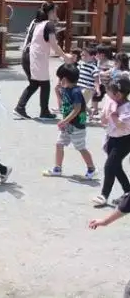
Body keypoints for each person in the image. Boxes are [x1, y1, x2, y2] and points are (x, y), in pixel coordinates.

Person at [14, 2, 74, 119]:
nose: (56, 14)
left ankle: (21, 108)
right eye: (55, 11)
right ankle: (42, 112)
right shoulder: (48, 24)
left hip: (28, 55)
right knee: (44, 84)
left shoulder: (37, 22)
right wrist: (64, 56)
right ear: (51, 12)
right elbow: (54, 44)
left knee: (35, 83)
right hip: (35, 57)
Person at [43, 64, 97, 179]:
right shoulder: (66, 89)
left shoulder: (76, 91)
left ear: (64, 79)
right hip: (67, 125)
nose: (59, 81)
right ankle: (57, 168)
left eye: (59, 78)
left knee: (80, 147)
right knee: (59, 144)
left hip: (77, 125)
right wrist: (57, 92)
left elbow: (77, 109)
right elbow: (63, 105)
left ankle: (91, 168)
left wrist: (64, 121)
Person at [92, 77, 130, 206]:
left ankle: (104, 195)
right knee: (116, 167)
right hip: (112, 139)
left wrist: (113, 114)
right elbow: (104, 121)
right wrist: (106, 112)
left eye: (109, 93)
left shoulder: (127, 108)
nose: (107, 96)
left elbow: (121, 125)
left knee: (109, 166)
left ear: (118, 95)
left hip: (124, 141)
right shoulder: (113, 103)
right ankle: (128, 192)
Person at [92, 45, 115, 118]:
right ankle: (95, 110)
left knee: (109, 98)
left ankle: (109, 111)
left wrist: (103, 72)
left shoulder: (110, 63)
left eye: (96, 53)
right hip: (100, 83)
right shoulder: (98, 61)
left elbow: (112, 71)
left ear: (102, 54)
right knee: (95, 97)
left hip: (108, 84)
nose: (95, 55)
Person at [76, 46, 98, 117]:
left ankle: (81, 119)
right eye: (81, 54)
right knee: (79, 103)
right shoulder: (81, 64)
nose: (82, 56)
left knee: (81, 104)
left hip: (88, 89)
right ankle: (90, 111)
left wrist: (97, 89)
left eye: (84, 55)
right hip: (79, 87)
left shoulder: (93, 67)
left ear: (92, 56)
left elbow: (96, 80)